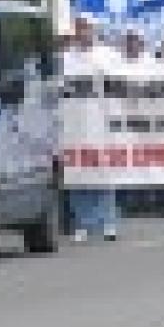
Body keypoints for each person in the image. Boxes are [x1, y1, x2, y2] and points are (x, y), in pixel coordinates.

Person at [61, 17, 120, 242]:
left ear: (93, 30)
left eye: (86, 28)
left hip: (101, 123)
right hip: (74, 124)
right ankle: (83, 223)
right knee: (78, 173)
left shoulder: (108, 56)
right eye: (79, 28)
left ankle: (108, 222)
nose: (82, 32)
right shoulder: (65, 59)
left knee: (104, 173)